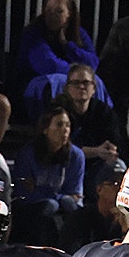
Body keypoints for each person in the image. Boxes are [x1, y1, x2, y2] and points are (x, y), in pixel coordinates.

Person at [10, 105, 85, 247]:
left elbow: (74, 194)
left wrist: (41, 190)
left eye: (68, 125)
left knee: (70, 207)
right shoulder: (28, 154)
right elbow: (23, 193)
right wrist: (57, 196)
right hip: (32, 207)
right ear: (45, 129)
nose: (65, 130)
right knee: (49, 206)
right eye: (59, 125)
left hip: (63, 204)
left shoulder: (76, 156)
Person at [55, 65, 124, 198]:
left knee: (117, 165)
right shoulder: (58, 111)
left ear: (94, 88)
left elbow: (115, 142)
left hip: (96, 167)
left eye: (86, 82)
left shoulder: (104, 112)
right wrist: (96, 151)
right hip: (64, 166)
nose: (81, 87)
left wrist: (111, 150)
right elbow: (59, 148)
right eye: (75, 83)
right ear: (67, 87)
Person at [14, 0, 99, 91]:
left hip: (71, 78)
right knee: (58, 81)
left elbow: (93, 63)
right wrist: (77, 74)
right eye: (48, 10)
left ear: (69, 14)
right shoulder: (33, 32)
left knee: (96, 83)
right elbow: (48, 65)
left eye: (59, 12)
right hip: (36, 83)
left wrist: (68, 46)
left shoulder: (78, 33)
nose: (52, 16)